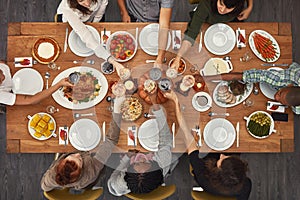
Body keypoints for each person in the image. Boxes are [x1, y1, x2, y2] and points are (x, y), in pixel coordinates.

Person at [164, 90, 252, 200]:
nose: (221, 155)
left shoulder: (203, 176)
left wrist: (176, 101)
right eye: (226, 157)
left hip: (205, 155)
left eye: (222, 160)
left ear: (216, 171)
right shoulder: (245, 185)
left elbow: (187, 135)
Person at [41, 96, 124, 191]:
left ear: (60, 163)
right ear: (81, 171)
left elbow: (44, 187)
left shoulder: (53, 176)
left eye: (71, 157)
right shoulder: (91, 169)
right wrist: (117, 109)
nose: (77, 154)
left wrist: (51, 167)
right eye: (80, 160)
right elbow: (111, 140)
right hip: (88, 181)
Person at [107, 87, 176, 195]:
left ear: (127, 171)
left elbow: (114, 176)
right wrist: (155, 104)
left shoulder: (118, 184)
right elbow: (166, 138)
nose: (141, 158)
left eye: (137, 162)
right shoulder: (162, 163)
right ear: (155, 165)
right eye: (146, 161)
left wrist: (126, 159)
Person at [171, 0, 253, 69]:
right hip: (207, 23)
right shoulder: (205, 4)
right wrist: (178, 58)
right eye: (221, 4)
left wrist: (250, 7)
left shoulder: (237, 6)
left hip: (230, 24)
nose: (223, 10)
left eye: (228, 8)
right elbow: (192, 32)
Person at [203, 62, 300, 114]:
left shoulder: (297, 109)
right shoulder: (282, 78)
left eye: (281, 102)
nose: (275, 98)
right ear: (290, 85)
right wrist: (205, 78)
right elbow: (244, 76)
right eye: (280, 94)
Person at [56, 0, 125, 71]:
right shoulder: (67, 8)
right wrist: (113, 61)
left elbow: (102, 5)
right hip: (71, 23)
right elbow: (85, 35)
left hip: (88, 18)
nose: (87, 3)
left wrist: (95, 23)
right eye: (81, 0)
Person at [117, 0, 174, 68]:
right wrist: (123, 12)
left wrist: (160, 57)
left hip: (156, 20)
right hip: (134, 15)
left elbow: (164, 26)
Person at [0, 63, 73, 106]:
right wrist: (59, 84)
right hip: (19, 90)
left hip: (16, 68)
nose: (4, 75)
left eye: (1, 72)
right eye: (1, 79)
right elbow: (31, 100)